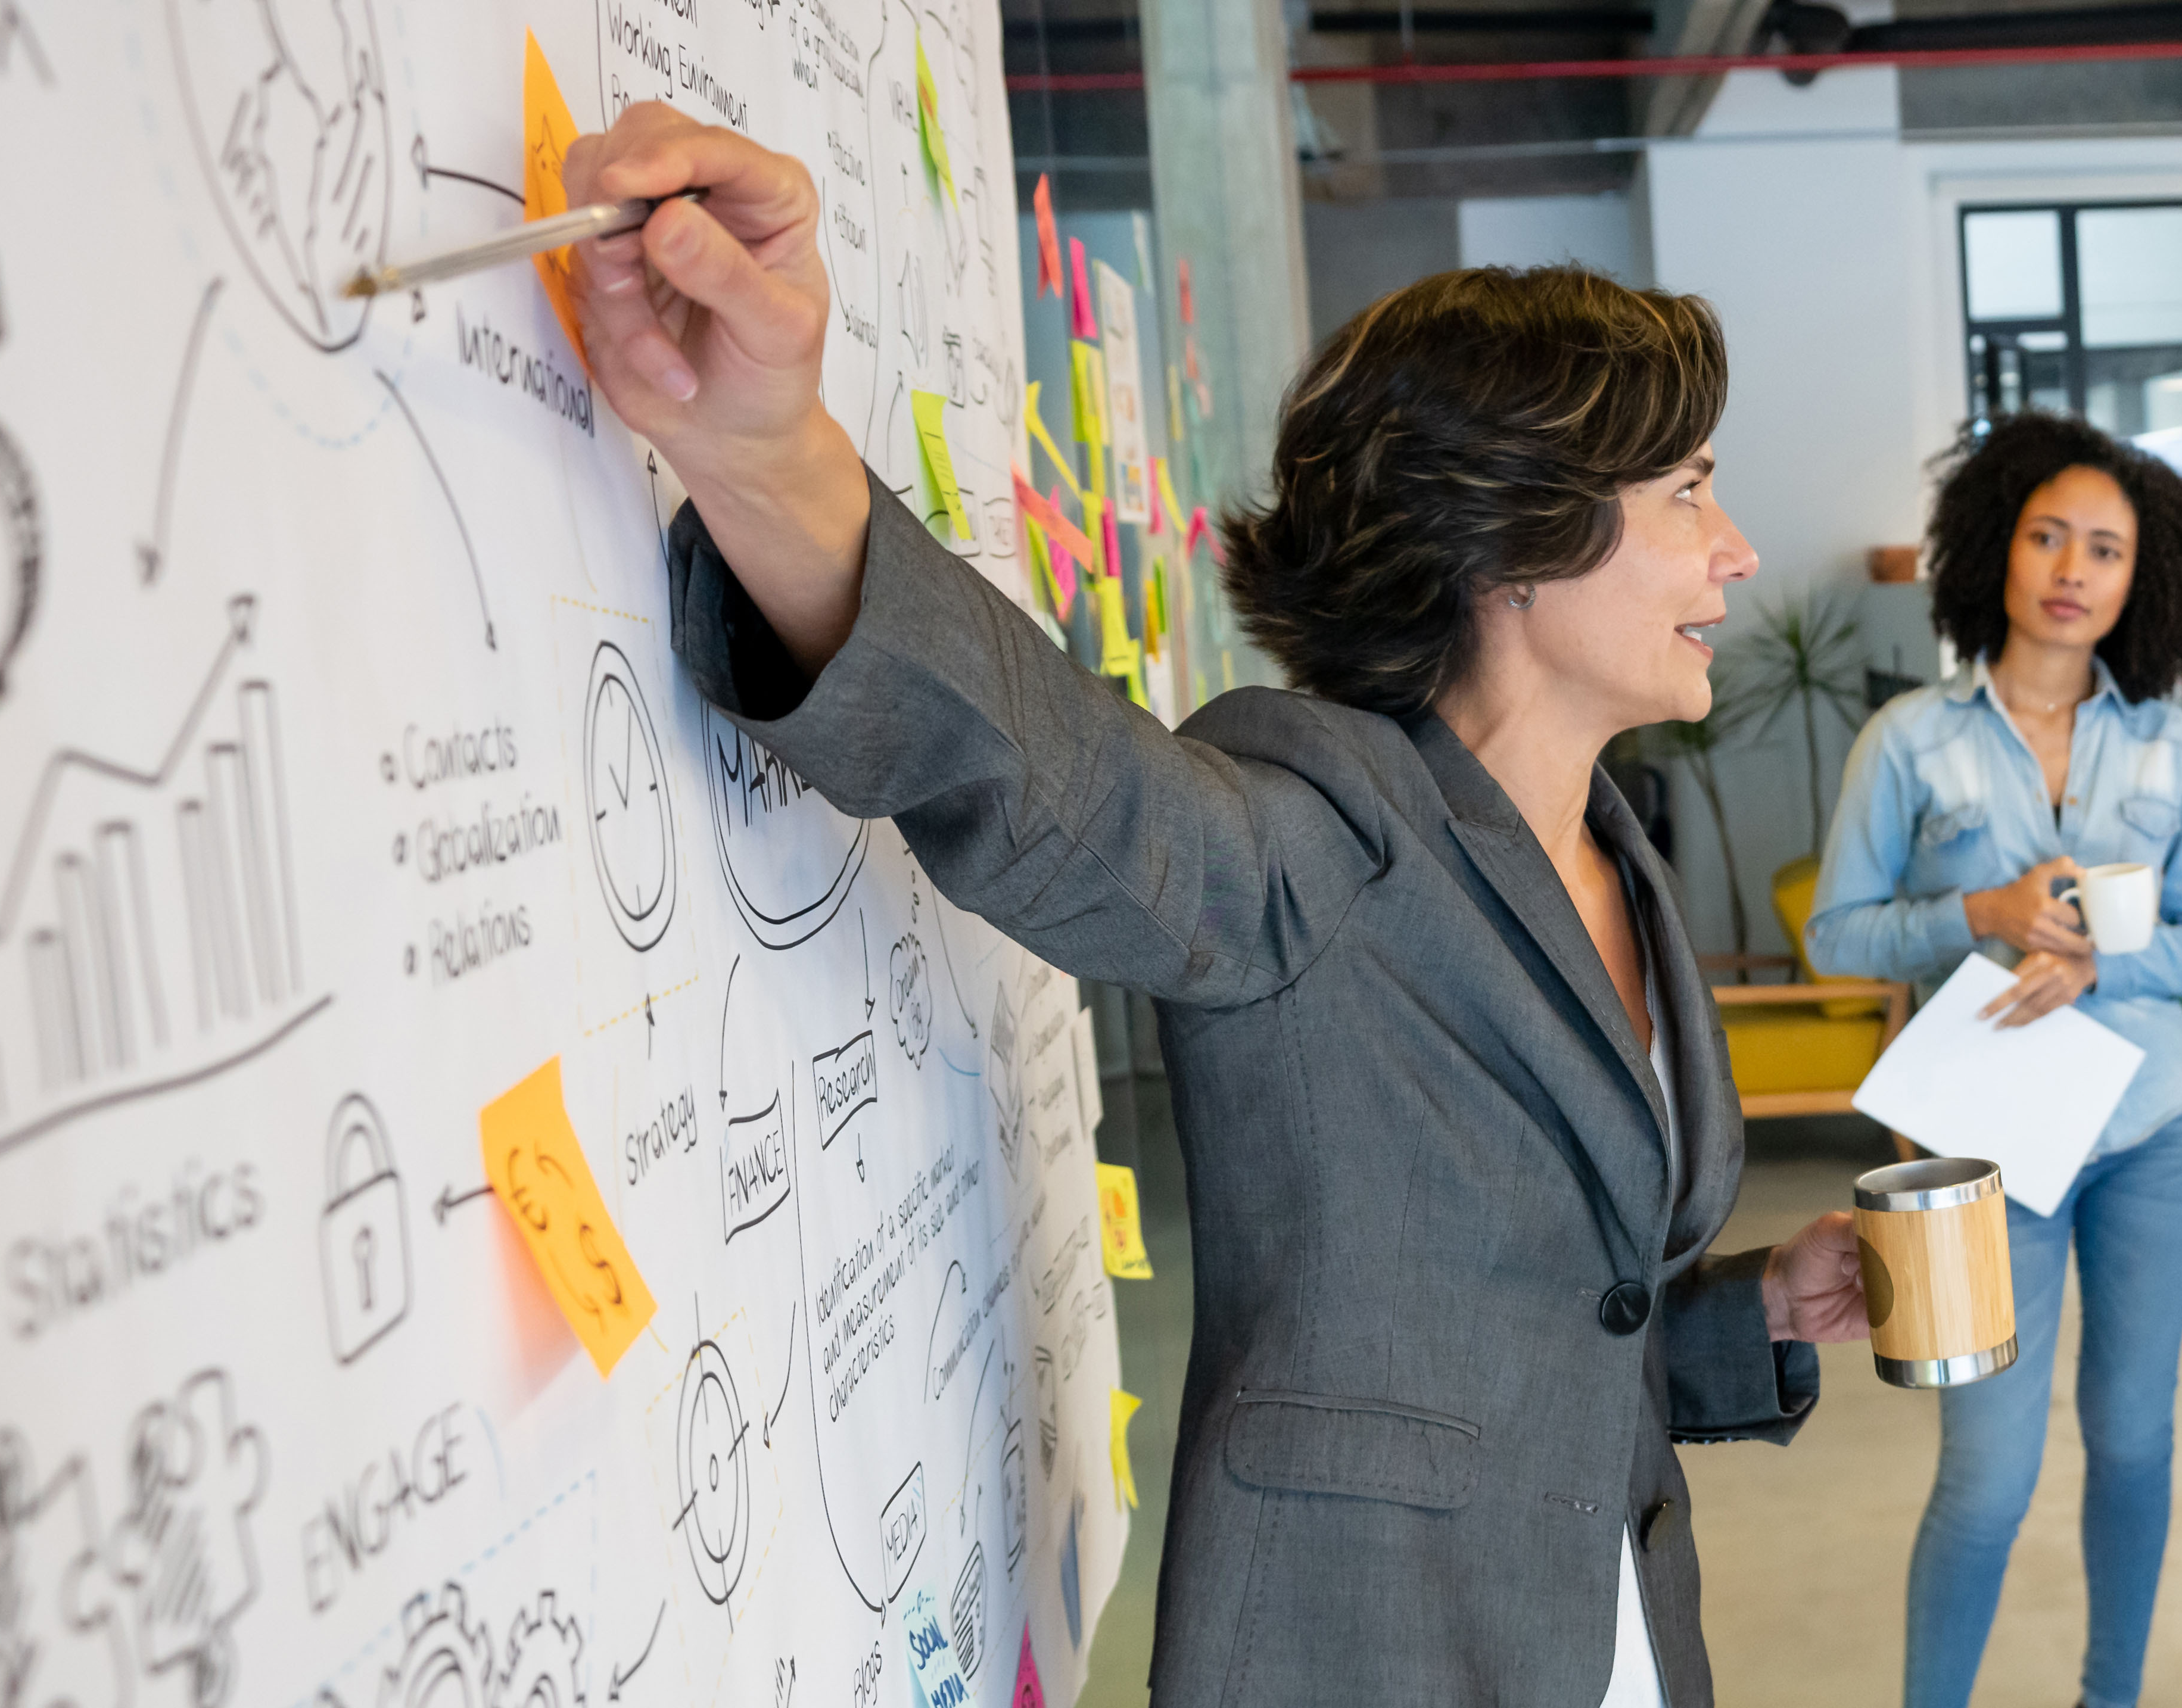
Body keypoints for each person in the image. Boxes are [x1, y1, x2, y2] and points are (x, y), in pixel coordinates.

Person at [554, 105, 1874, 1707]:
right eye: (1685, 492)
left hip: (1611, 1649)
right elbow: (1062, 790)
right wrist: (769, 454)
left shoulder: (1618, 852)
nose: (1734, 551)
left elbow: (1571, 1332)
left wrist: (1756, 1313)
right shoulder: (1316, 830)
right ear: (1513, 537)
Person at [1809, 413, 2182, 1708]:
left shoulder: (2169, 744)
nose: (2073, 567)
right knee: (1985, 1479)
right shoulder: (1907, 742)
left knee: (2133, 1443)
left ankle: (2110, 1697)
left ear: (2139, 579)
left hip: (2153, 1138)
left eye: (2105, 549)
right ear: (1995, 548)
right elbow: (1839, 934)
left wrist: (2107, 966)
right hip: (1976, 1161)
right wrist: (1979, 918)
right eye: (2048, 534)